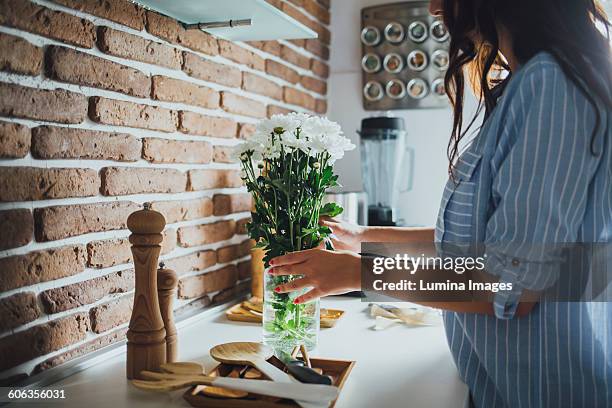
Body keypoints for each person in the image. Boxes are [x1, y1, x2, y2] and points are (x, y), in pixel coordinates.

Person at [267, 0, 612, 406]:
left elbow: (512, 286)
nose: (433, 6)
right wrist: (363, 238)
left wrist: (362, 273)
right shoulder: (533, 83)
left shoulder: (550, 86)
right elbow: (483, 244)